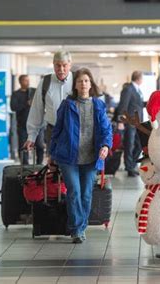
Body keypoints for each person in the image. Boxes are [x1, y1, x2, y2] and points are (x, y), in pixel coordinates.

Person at [49, 68, 112, 243]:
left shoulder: (98, 105)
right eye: (79, 81)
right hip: (68, 157)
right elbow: (57, 130)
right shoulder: (67, 105)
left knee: (86, 194)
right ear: (74, 85)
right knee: (74, 192)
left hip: (91, 157)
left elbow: (106, 129)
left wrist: (106, 146)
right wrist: (51, 154)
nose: (83, 84)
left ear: (90, 84)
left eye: (86, 80)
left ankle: (81, 226)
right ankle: (77, 229)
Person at [24, 50, 73, 154]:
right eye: (58, 65)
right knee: (53, 165)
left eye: (64, 65)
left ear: (70, 65)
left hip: (74, 132)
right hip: (53, 131)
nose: (61, 69)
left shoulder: (77, 80)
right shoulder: (46, 82)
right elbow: (37, 109)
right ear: (53, 65)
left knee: (71, 166)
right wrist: (31, 136)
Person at [10, 74, 44, 164]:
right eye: (25, 80)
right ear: (20, 82)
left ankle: (39, 165)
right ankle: (25, 167)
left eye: (28, 80)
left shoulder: (34, 91)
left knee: (40, 145)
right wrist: (26, 104)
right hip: (22, 125)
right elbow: (13, 107)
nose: (27, 82)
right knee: (23, 146)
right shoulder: (16, 94)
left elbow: (42, 102)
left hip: (37, 124)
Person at [117, 71, 144, 177]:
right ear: (139, 78)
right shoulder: (128, 89)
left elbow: (138, 104)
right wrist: (120, 121)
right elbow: (123, 105)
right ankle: (129, 167)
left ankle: (132, 164)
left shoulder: (137, 90)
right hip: (130, 122)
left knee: (139, 144)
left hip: (138, 123)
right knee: (130, 145)